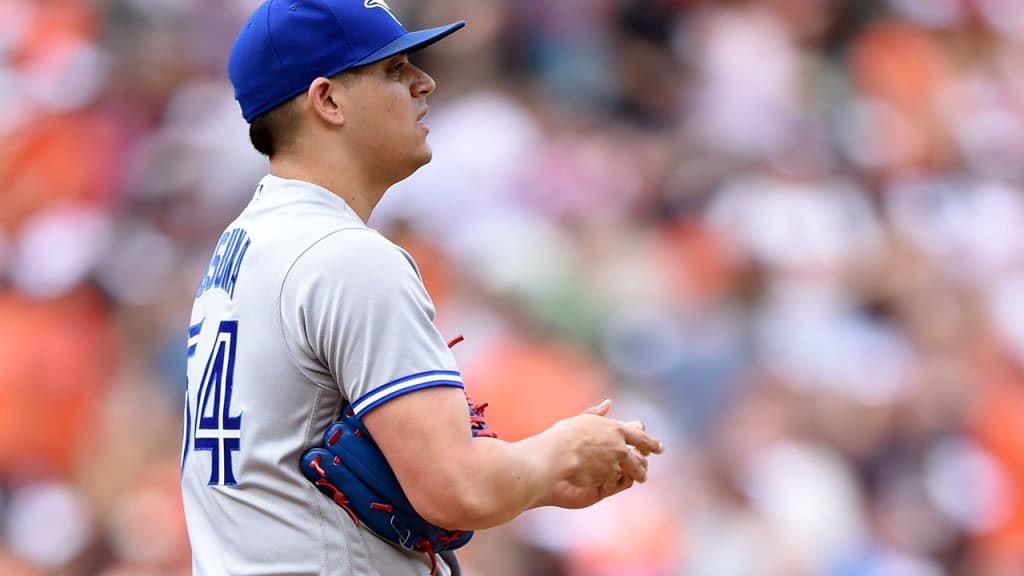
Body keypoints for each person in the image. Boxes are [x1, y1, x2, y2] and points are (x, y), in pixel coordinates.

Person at [180, 1, 665, 575]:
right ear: (327, 100)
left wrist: (531, 480)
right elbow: (457, 490)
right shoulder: (345, 256)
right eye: (392, 69)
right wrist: (567, 448)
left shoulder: (242, 247)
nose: (423, 81)